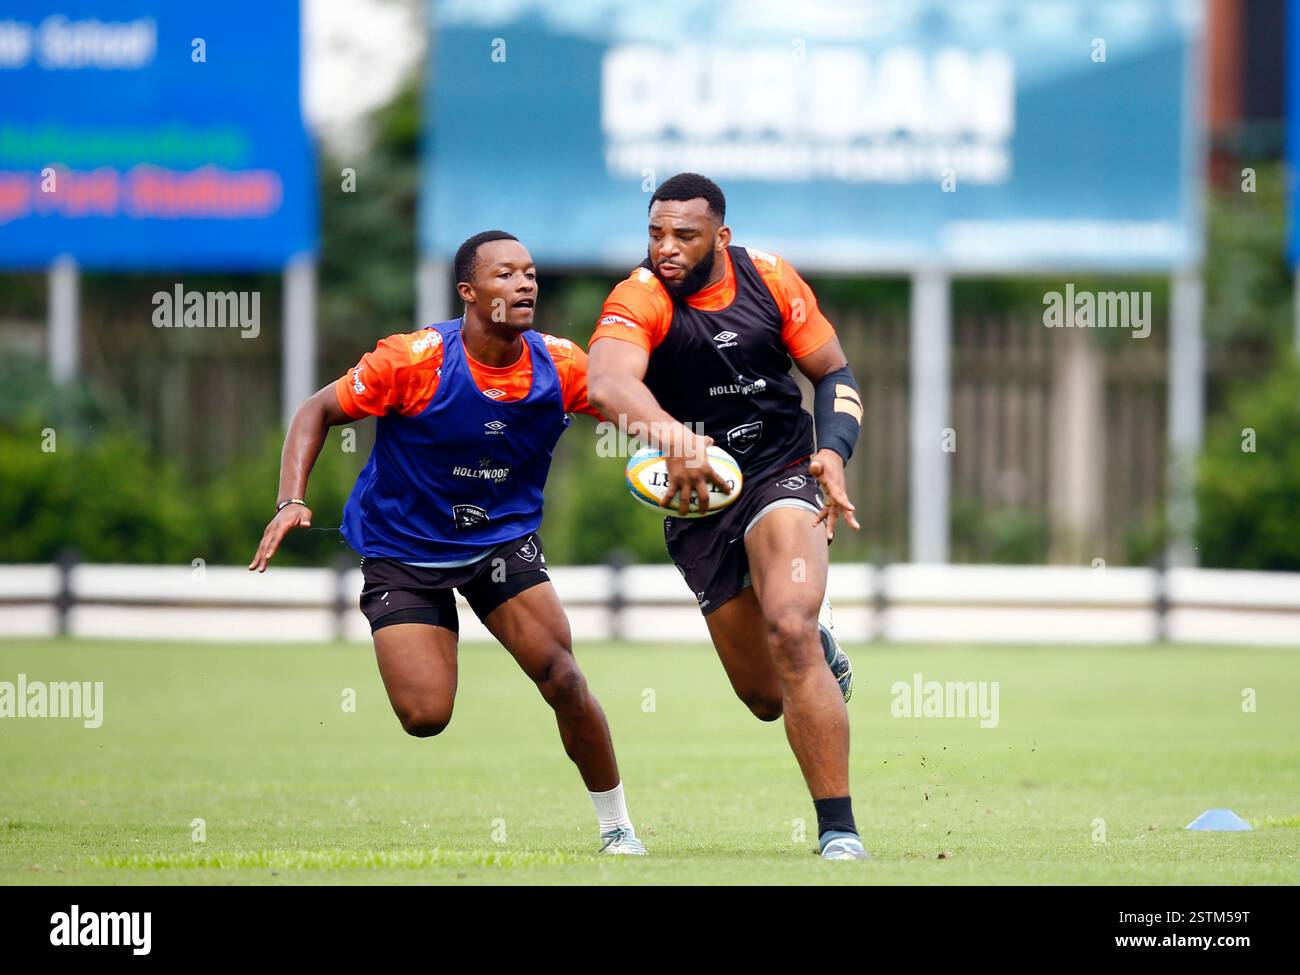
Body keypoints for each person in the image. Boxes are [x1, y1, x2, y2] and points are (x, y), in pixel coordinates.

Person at [249, 230, 645, 855]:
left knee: (564, 678)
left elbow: (633, 402)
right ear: (468, 291)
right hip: (403, 551)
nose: (525, 285)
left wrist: (677, 447)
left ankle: (618, 828)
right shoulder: (411, 359)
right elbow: (314, 411)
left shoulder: (561, 364)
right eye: (506, 274)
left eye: (531, 273)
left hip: (498, 544)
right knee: (425, 716)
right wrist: (292, 498)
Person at [586, 174, 867, 860]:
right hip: (697, 499)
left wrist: (832, 453)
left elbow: (835, 375)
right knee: (765, 697)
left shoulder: (769, 278)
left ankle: (839, 832)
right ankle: (818, 657)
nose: (666, 248)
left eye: (684, 235)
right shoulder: (640, 294)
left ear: (722, 237)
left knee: (791, 624)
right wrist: (674, 439)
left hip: (781, 472)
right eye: (656, 233)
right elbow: (608, 381)